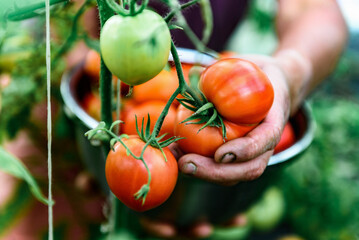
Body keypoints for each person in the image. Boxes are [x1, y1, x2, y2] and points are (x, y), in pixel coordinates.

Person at [142, 0, 349, 238]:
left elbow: (315, 10)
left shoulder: (197, 104)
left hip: (209, 80)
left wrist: (290, 68)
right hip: (143, 81)